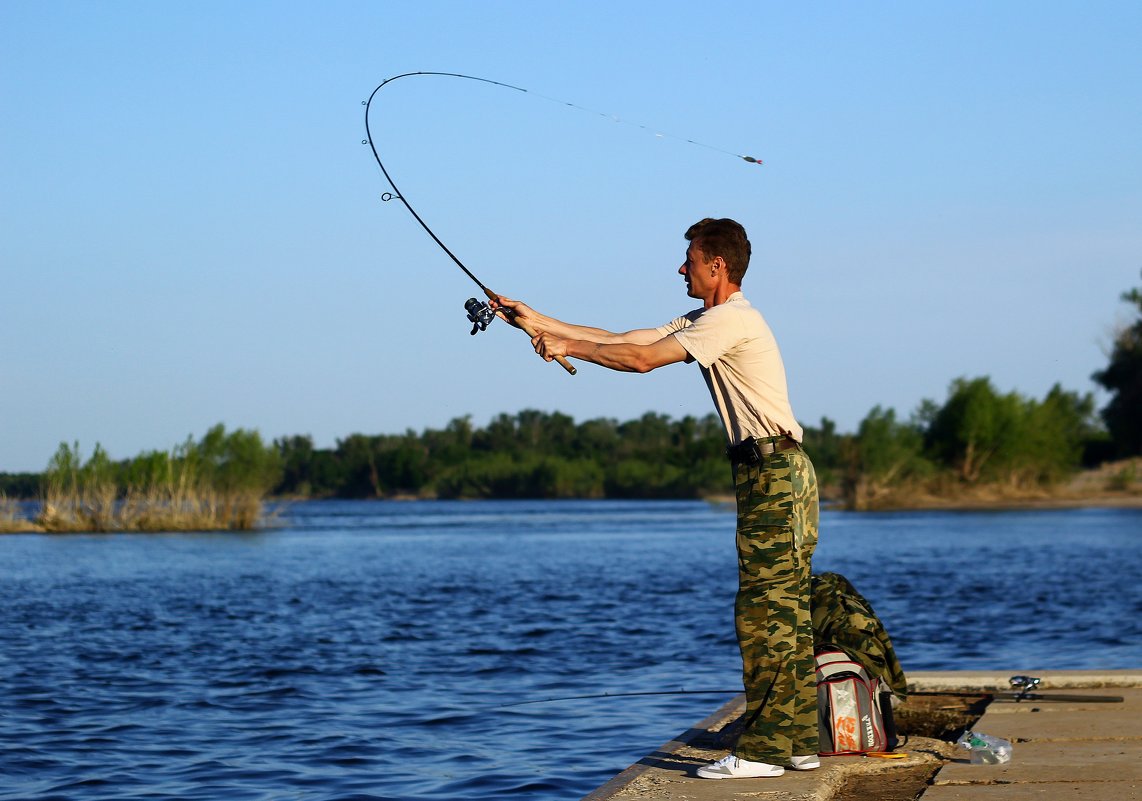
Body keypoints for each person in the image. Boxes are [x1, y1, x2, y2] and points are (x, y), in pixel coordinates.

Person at [493, 218, 820, 779]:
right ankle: (794, 742)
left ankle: (766, 751)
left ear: (717, 266)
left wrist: (569, 347)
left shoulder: (729, 321)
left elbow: (642, 362)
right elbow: (629, 339)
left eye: (688, 260)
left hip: (772, 474)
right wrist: (531, 318)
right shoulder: (709, 319)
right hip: (779, 472)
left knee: (764, 612)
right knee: (785, 611)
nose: (680, 268)